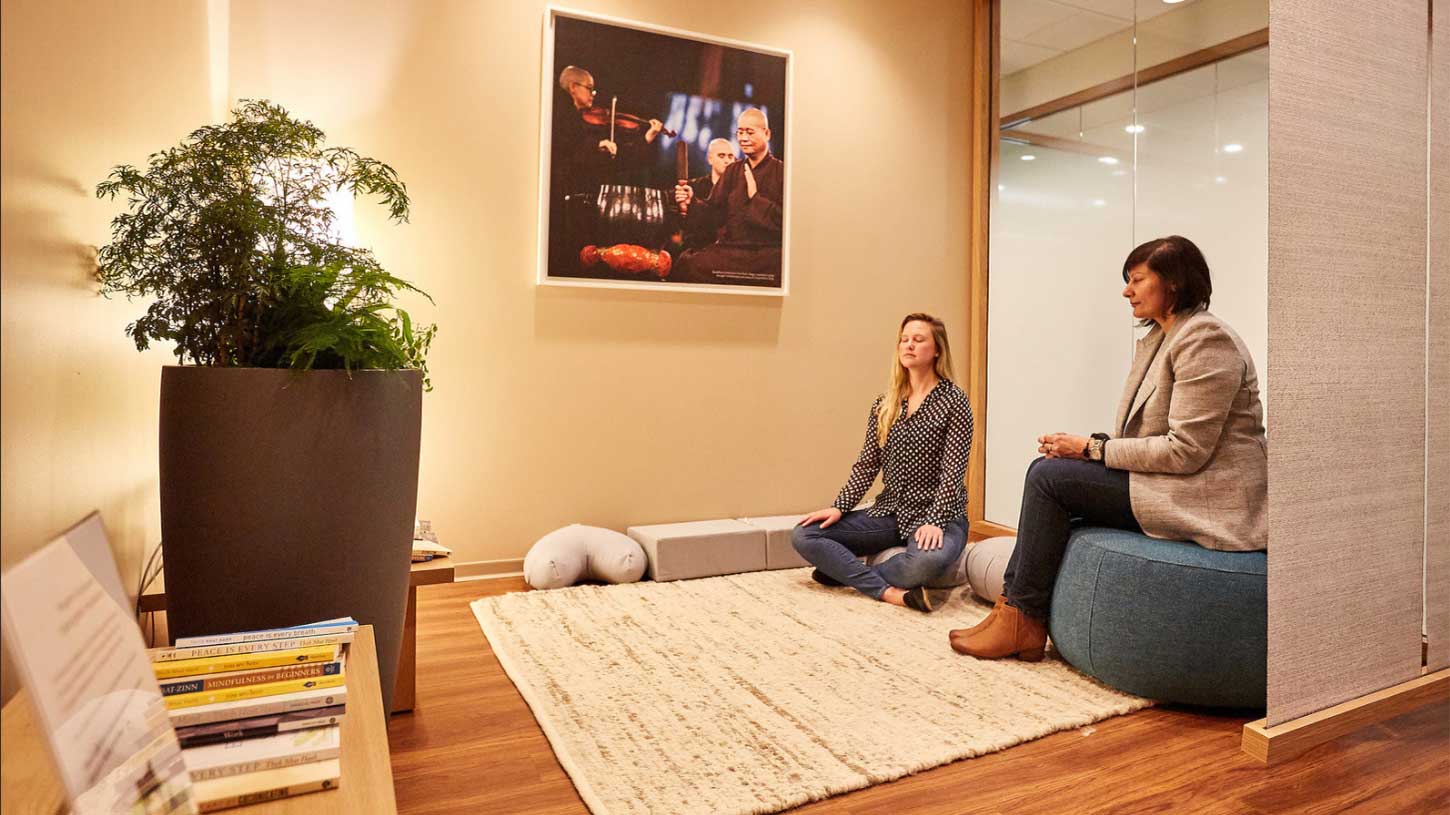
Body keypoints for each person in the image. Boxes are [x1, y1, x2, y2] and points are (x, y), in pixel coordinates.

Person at [950, 235, 1268, 660]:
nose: (1126, 290)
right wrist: (1079, 448)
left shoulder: (1206, 340)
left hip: (1208, 496)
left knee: (1050, 479)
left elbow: (1186, 451)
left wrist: (1091, 449)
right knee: (1045, 469)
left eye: (1137, 280)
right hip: (1171, 482)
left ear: (1172, 283)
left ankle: (1022, 620)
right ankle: (1015, 611)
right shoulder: (1161, 339)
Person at [792, 313, 974, 613]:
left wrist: (935, 520)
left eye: (918, 339)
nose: (909, 345)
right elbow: (867, 464)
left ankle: (842, 573)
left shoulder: (954, 401)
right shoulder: (885, 403)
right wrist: (839, 507)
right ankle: (889, 592)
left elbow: (952, 472)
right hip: (890, 511)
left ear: (937, 349)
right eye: (904, 340)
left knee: (924, 564)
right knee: (804, 534)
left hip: (939, 514)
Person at [672, 108, 783, 287]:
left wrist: (755, 198)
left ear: (767, 133)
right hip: (732, 251)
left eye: (750, 132)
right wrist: (690, 202)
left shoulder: (782, 172)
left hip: (766, 254)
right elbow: (712, 214)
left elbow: (786, 224)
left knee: (778, 269)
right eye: (740, 132)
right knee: (688, 264)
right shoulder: (733, 171)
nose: (743, 138)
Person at [677, 138, 737, 250]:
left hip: (728, 250)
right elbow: (684, 225)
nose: (727, 161)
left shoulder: (739, 189)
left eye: (730, 156)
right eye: (721, 155)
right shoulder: (692, 187)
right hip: (697, 249)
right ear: (710, 159)